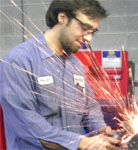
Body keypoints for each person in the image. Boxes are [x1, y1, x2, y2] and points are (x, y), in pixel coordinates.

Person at [0, 0, 120, 149]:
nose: (88, 38)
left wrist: (99, 127)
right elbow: (27, 126)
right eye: (84, 28)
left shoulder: (75, 65)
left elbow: (90, 107)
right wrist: (82, 143)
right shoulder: (19, 61)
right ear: (62, 18)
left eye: (92, 32)